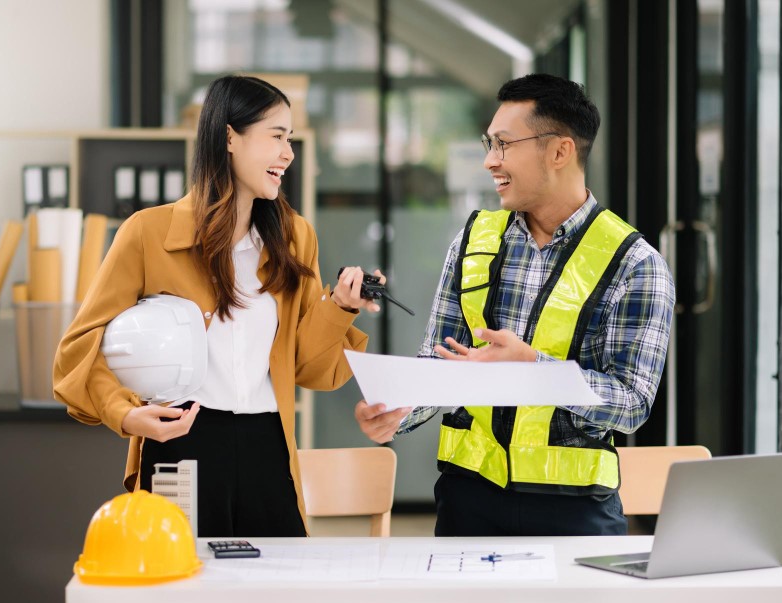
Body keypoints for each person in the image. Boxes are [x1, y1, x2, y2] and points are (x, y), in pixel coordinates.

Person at [54, 74, 383, 537]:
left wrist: (341, 307)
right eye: (276, 136)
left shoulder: (295, 236)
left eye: (289, 138)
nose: (288, 153)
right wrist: (125, 413)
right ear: (230, 136)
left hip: (269, 444)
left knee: (278, 586)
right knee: (185, 583)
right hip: (182, 442)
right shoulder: (148, 233)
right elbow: (78, 349)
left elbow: (307, 369)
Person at [354, 73, 676, 537]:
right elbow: (438, 360)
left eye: (504, 144)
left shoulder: (634, 263)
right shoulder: (474, 239)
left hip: (574, 510)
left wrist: (535, 369)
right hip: (467, 498)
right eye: (489, 143)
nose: (490, 161)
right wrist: (398, 408)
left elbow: (632, 403)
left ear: (560, 151)